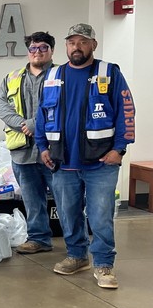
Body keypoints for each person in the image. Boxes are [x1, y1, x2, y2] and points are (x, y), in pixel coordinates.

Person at [35, 23, 135, 289]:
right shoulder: (53, 75)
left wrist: (120, 148)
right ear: (66, 47)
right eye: (71, 42)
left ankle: (103, 263)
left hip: (101, 161)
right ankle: (77, 256)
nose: (76, 47)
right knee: (68, 213)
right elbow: (41, 116)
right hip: (63, 161)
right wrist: (43, 147)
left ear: (93, 45)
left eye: (82, 42)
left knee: (100, 215)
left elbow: (126, 111)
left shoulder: (109, 72)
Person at [0, 31, 57, 254]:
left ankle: (76, 244)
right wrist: (24, 124)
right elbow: (2, 107)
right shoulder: (12, 77)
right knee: (32, 200)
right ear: (28, 51)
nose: (37, 52)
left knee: (67, 201)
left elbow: (65, 107)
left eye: (43, 47)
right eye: (33, 48)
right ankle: (39, 239)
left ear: (51, 50)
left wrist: (35, 124)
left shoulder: (62, 75)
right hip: (23, 152)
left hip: (55, 151)